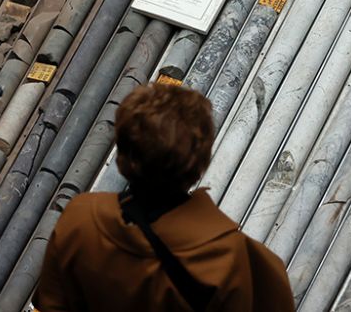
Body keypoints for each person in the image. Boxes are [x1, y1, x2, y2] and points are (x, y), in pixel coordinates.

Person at [34, 84, 294, 312]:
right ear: (200, 163)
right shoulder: (233, 258)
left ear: (123, 156)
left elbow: (51, 303)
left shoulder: (80, 220)